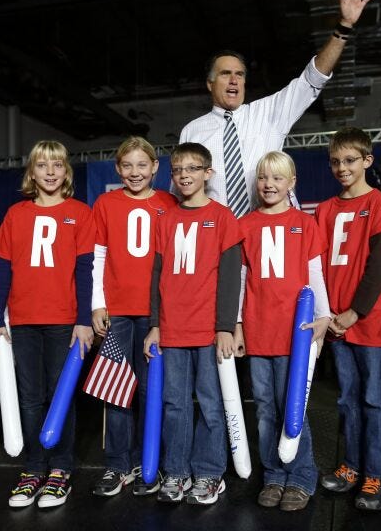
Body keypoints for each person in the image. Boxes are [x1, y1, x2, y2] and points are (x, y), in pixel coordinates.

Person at [178, 0, 373, 215]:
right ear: (209, 83)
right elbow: (181, 194)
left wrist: (343, 27)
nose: (234, 80)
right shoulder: (192, 131)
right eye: (225, 74)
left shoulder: (269, 112)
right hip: (217, 237)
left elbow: (312, 79)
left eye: (239, 74)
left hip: (267, 234)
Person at [0, 140, 96, 509]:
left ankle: (60, 470)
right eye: (42, 165)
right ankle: (34, 467)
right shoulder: (16, 214)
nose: (50, 172)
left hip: (64, 321)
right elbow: (4, 270)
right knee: (30, 398)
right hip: (23, 320)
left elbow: (85, 271)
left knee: (59, 396)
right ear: (31, 172)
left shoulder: (80, 213)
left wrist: (84, 320)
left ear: (66, 172)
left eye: (57, 166)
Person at [143, 142, 241, 506]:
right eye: (179, 169)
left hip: (207, 331)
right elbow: (157, 276)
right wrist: (155, 325)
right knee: (174, 404)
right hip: (172, 329)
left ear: (207, 173)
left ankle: (210, 473)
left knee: (212, 404)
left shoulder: (224, 217)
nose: (185, 175)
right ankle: (178, 472)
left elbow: (231, 277)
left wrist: (225, 326)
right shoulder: (165, 219)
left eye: (192, 169)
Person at [234, 151, 330, 511]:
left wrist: (323, 314)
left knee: (294, 407)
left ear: (292, 183)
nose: (269, 184)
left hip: (297, 333)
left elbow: (315, 272)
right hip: (259, 332)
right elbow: (242, 280)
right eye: (263, 178)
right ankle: (274, 474)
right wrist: (239, 325)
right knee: (264, 408)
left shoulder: (304, 224)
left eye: (277, 178)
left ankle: (302, 476)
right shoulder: (246, 225)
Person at [315, 127, 381, 510]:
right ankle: (351, 466)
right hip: (336, 324)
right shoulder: (324, 209)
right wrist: (326, 312)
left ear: (367, 160)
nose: (342, 168)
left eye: (349, 160)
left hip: (368, 322)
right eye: (335, 161)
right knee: (348, 399)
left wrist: (355, 311)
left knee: (375, 400)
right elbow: (315, 265)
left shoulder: (380, 204)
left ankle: (378, 478)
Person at [90, 136, 177, 498]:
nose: (135, 172)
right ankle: (117, 465)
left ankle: (148, 460)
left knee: (150, 390)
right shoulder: (106, 203)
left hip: (157, 314)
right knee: (116, 391)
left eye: (143, 165)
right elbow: (97, 257)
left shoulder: (169, 203)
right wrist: (97, 303)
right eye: (128, 166)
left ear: (156, 167)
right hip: (118, 313)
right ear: (118, 170)